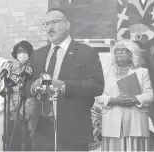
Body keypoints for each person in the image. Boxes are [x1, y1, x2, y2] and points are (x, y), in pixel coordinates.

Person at [26, 8, 104, 151]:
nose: (49, 27)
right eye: (46, 24)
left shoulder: (86, 52)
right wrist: (33, 87)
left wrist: (64, 86)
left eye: (54, 22)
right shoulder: (37, 54)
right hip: (41, 129)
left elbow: (97, 86)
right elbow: (26, 85)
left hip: (72, 129)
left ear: (67, 25)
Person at [96, 39, 154, 151]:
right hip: (112, 121)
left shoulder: (142, 72)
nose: (119, 52)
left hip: (136, 121)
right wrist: (113, 100)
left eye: (123, 50)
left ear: (132, 53)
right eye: (117, 50)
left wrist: (134, 99)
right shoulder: (105, 72)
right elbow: (97, 95)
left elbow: (149, 96)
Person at [9, 40, 34, 151]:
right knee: (14, 145)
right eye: (19, 51)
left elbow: (33, 96)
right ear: (15, 54)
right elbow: (7, 91)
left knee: (27, 145)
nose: (22, 54)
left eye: (25, 51)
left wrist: (23, 114)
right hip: (13, 116)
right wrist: (13, 111)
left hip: (28, 117)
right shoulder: (13, 72)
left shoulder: (34, 72)